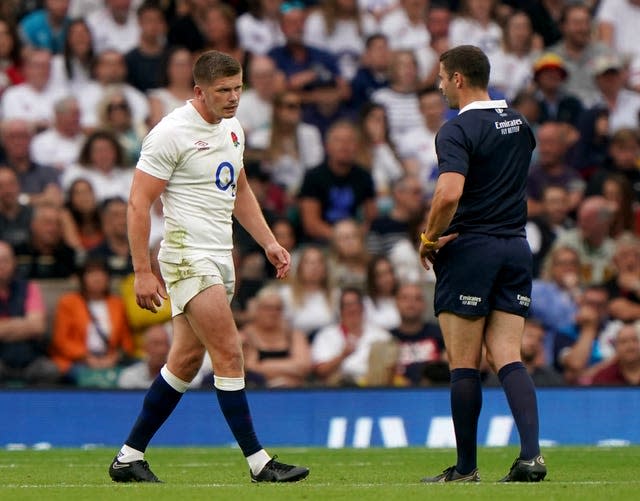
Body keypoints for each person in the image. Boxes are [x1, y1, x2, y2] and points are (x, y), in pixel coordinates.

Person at [108, 50, 309, 484]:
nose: (234, 98)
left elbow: (237, 187)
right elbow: (138, 202)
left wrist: (269, 241)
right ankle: (259, 462)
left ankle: (127, 457)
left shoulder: (233, 127)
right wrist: (142, 271)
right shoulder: (170, 133)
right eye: (224, 91)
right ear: (199, 91)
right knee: (230, 352)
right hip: (186, 254)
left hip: (220, 255)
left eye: (238, 88)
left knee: (183, 363)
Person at [418, 45, 545, 483]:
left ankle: (466, 468)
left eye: (440, 77)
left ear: (456, 78)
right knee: (508, 354)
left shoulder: (456, 129)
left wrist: (429, 237)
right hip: (516, 247)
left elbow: (449, 193)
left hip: (471, 250)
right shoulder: (521, 123)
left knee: (464, 363)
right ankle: (531, 457)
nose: (438, 85)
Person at [48, 256, 135, 386]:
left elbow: (126, 340)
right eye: (91, 273)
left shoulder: (117, 303)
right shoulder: (68, 302)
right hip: (77, 361)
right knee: (86, 378)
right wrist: (87, 358)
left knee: (135, 372)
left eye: (101, 273)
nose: (97, 278)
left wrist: (114, 357)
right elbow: (61, 341)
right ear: (82, 278)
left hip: (110, 359)